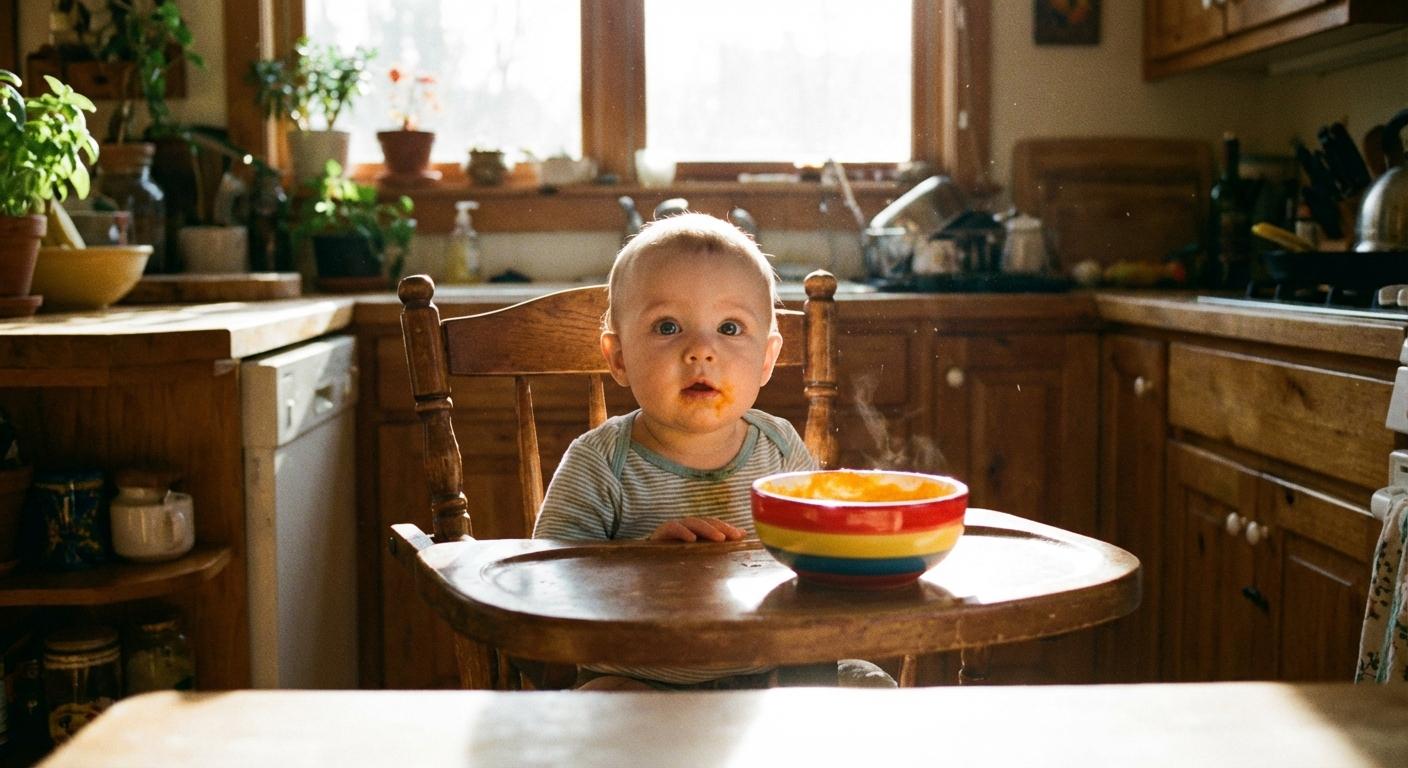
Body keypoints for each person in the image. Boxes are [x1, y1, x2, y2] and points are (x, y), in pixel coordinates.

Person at [532, 212, 895, 691]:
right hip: (640, 681)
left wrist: (854, 537)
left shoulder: (781, 448)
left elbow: (823, 562)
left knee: (868, 686)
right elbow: (545, 591)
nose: (701, 351)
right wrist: (640, 566)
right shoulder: (599, 462)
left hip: (770, 674)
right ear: (619, 357)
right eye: (667, 327)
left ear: (766, 359)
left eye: (728, 328)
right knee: (597, 700)